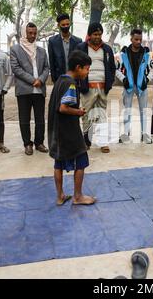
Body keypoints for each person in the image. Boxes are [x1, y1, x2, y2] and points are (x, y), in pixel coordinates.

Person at [48, 50, 96, 206]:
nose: (87, 72)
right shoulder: (71, 84)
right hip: (69, 131)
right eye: (87, 69)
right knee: (81, 159)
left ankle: (60, 196)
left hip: (56, 131)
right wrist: (79, 112)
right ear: (78, 67)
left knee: (58, 163)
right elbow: (63, 107)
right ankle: (78, 196)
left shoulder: (60, 81)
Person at [10, 22, 50, 156]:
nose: (32, 36)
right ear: (23, 33)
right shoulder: (15, 49)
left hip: (39, 90)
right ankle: (27, 144)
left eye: (34, 33)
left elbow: (46, 68)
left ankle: (39, 143)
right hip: (24, 90)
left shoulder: (42, 51)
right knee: (24, 118)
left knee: (40, 118)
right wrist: (34, 80)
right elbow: (16, 69)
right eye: (30, 33)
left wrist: (41, 79)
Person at [76, 22, 116, 153]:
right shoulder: (81, 48)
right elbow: (76, 67)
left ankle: (103, 142)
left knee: (102, 114)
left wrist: (109, 83)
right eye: (95, 34)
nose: (97, 37)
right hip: (87, 87)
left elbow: (112, 67)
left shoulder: (107, 49)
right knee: (86, 114)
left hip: (103, 87)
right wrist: (80, 83)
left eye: (99, 34)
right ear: (89, 34)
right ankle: (86, 142)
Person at [116, 28, 153, 144]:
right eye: (136, 39)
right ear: (131, 39)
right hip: (128, 86)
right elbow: (116, 69)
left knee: (143, 110)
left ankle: (144, 134)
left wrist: (147, 80)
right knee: (127, 110)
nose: (138, 42)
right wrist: (123, 79)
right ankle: (125, 133)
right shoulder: (123, 54)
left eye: (140, 39)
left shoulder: (147, 54)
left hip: (141, 86)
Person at [48, 13, 83, 84]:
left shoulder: (78, 41)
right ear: (58, 25)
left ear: (70, 24)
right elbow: (52, 61)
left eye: (67, 24)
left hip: (75, 79)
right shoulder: (52, 41)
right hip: (59, 79)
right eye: (63, 25)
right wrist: (54, 80)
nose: (66, 26)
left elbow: (80, 62)